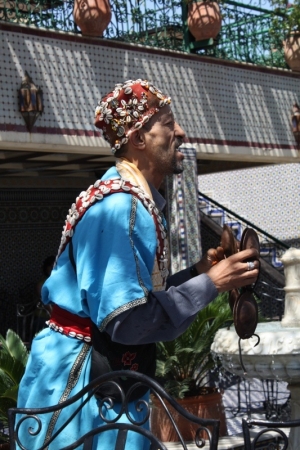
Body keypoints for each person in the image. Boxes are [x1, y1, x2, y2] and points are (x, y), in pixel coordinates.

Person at [17, 79, 259, 449]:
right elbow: (127, 321)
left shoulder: (132, 199)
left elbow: (143, 295)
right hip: (87, 384)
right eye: (168, 122)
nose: (180, 131)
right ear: (139, 139)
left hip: (97, 371)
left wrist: (198, 274)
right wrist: (213, 284)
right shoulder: (122, 208)